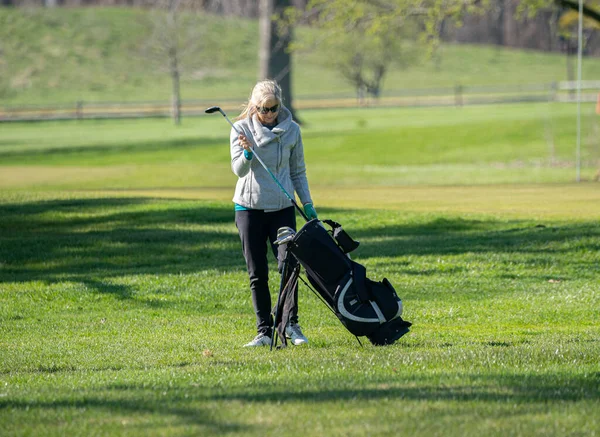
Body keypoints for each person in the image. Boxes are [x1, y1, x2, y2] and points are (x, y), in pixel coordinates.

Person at [230, 79, 317, 347]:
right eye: (262, 109)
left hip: (282, 208)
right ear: (253, 107)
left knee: (289, 266)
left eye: (273, 108)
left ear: (280, 104)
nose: (268, 114)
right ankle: (265, 331)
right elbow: (238, 170)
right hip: (249, 208)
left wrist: (308, 204)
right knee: (257, 273)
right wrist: (247, 154)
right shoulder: (241, 129)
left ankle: (290, 324)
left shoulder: (292, 131)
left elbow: (297, 171)